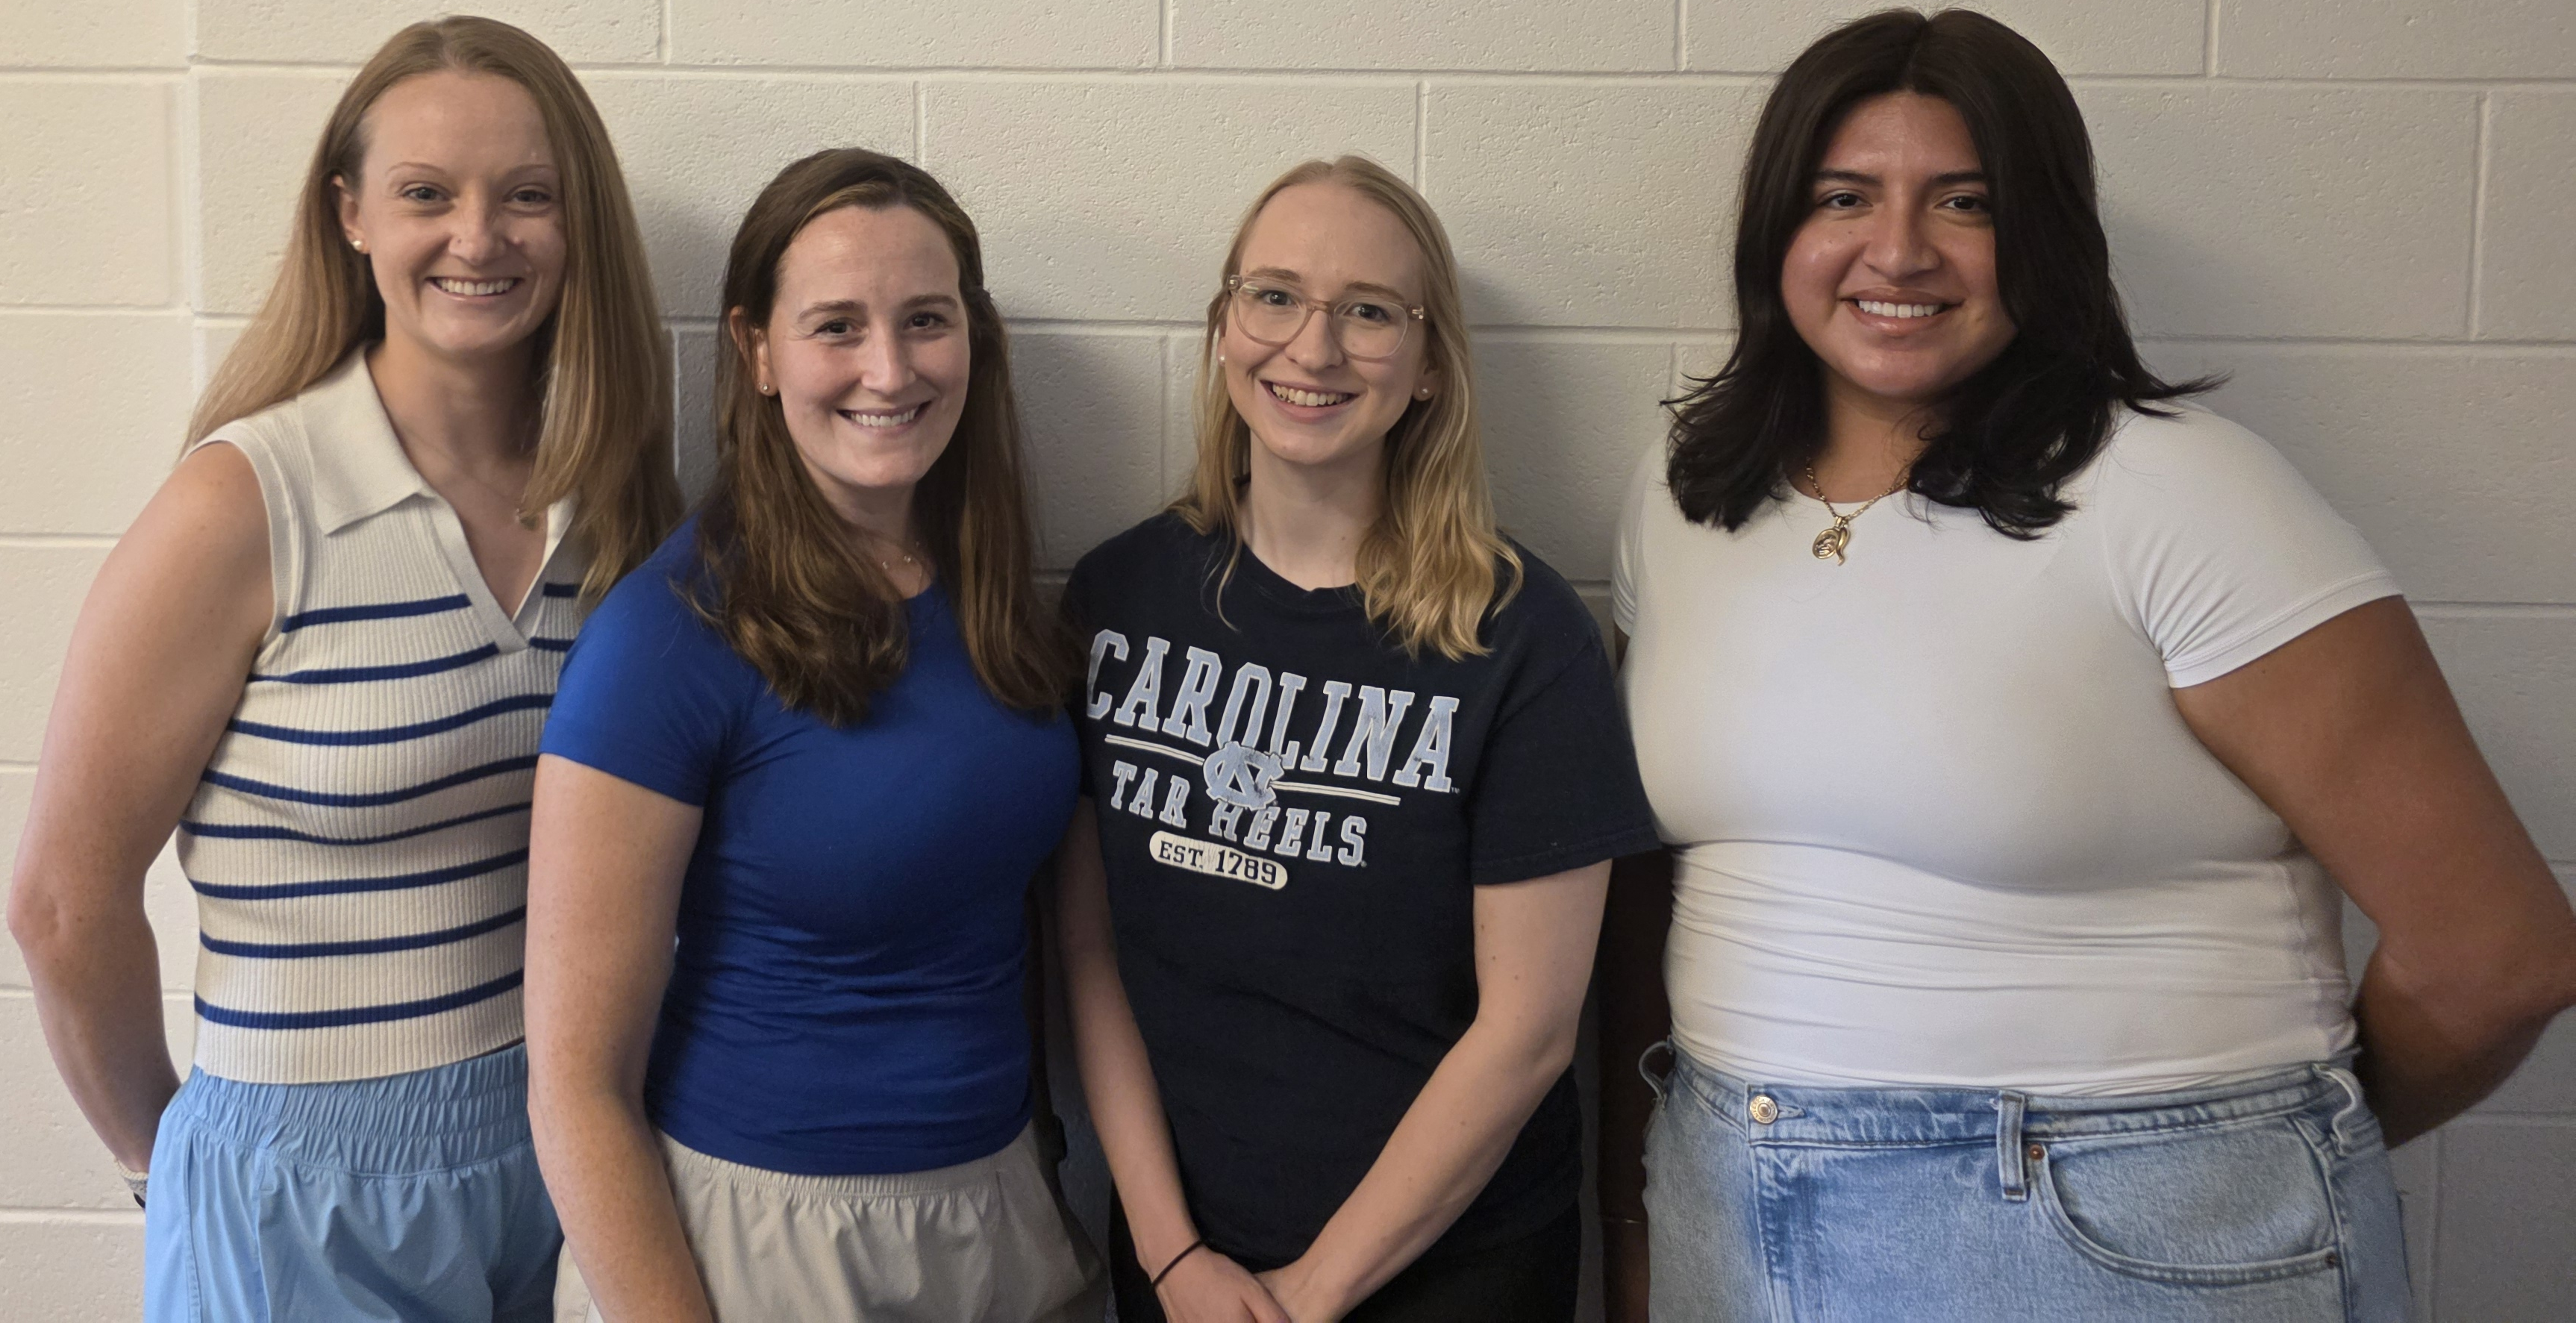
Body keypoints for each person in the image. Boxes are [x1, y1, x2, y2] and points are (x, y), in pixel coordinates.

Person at [1595, 10, 2576, 1322]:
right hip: (1730, 1200)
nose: (1900, 250)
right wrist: (1642, 1207)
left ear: (2046, 235)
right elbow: (1641, 885)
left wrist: (2240, 1155)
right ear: (1777, 228)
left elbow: (2497, 949)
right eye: (1844, 197)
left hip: (2113, 1227)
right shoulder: (1683, 498)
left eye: (1967, 203)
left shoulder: (2178, 493)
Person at [4, 16, 677, 1321]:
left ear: (578, 222)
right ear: (351, 215)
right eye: (426, 193)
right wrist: (174, 1169)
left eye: (527, 196)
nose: (478, 237)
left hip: (545, 1151)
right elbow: (60, 905)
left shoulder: (612, 507)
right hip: (298, 1188)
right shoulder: (245, 505)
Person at [1057, 154, 1662, 1323]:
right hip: (1192, 1264)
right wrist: (1173, 1258)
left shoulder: (1522, 637)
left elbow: (1530, 1034)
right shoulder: (1119, 598)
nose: (1314, 347)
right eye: (1275, 296)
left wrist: (1312, 1295)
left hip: (1456, 1266)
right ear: (1224, 327)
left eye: (1370, 312)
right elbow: (1089, 954)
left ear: (1431, 366)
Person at [523, 148, 1103, 1322]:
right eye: (837, 325)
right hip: (762, 1240)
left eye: (926, 320)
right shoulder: (668, 636)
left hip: (999, 1213)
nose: (890, 369)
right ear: (757, 351)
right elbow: (576, 1087)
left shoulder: (994, 598)